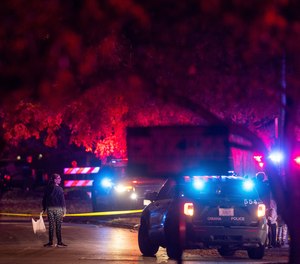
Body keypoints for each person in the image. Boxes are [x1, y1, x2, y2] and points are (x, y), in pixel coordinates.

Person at [42, 173, 67, 247]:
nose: (60, 179)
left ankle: (50, 242)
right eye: (58, 178)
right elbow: (62, 201)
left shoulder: (48, 188)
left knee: (51, 226)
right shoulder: (60, 189)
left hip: (50, 209)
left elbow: (44, 199)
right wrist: (64, 210)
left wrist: (44, 208)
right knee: (58, 226)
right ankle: (59, 242)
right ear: (55, 180)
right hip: (58, 209)